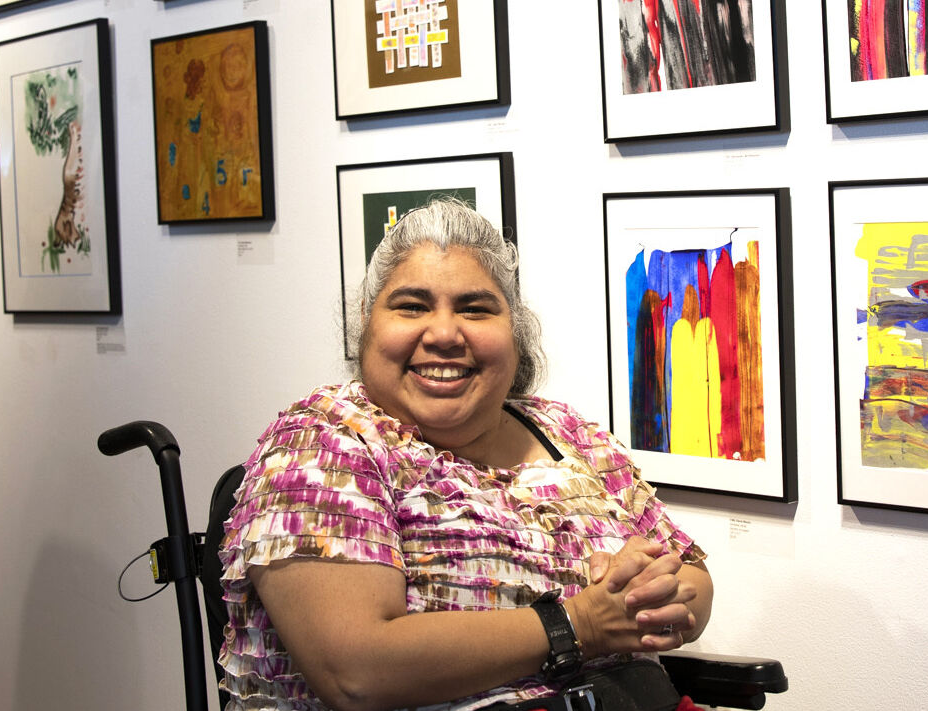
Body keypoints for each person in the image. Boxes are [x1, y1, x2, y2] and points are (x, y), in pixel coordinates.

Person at [217, 197, 713, 711]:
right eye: (412, 306)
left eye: (475, 309)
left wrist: (651, 592)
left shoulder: (569, 432)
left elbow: (693, 575)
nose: (444, 334)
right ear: (367, 320)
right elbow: (357, 673)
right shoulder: (322, 441)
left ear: (514, 329)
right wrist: (579, 623)